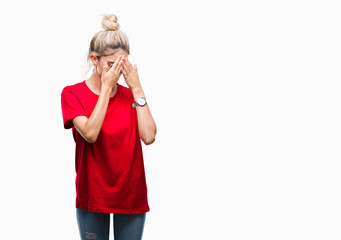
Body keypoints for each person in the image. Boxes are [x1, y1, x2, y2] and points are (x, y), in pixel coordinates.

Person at [60, 14, 157, 240]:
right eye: (111, 65)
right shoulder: (72, 94)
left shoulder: (130, 95)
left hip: (131, 193)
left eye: (122, 65)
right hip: (93, 193)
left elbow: (149, 136)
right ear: (94, 60)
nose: (118, 73)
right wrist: (105, 89)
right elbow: (91, 133)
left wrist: (137, 88)